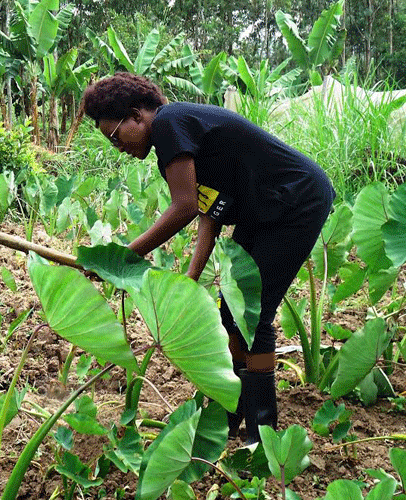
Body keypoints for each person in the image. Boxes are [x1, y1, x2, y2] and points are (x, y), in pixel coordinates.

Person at [82, 72, 336, 444]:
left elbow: (182, 206)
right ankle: (233, 416)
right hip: (262, 212)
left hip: (296, 202)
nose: (117, 146)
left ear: (137, 116)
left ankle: (262, 433)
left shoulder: (169, 122)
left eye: (115, 136)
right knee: (229, 313)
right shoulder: (175, 137)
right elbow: (209, 213)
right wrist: (191, 275)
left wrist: (119, 257)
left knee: (253, 317)